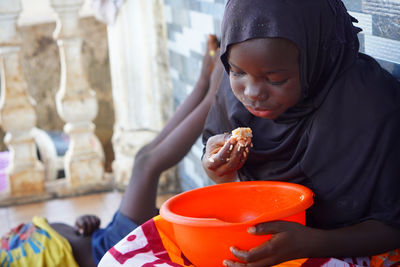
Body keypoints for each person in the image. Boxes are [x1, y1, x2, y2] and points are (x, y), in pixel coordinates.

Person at [200, 0, 400, 266]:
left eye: (276, 79)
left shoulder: (369, 106)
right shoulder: (234, 94)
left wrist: (314, 242)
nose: (252, 93)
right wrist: (218, 171)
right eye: (237, 72)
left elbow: (394, 225)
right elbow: (234, 188)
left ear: (317, 57)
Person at [0, 34, 223, 267]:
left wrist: (83, 223)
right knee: (145, 165)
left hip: (102, 235)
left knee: (143, 157)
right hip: (116, 249)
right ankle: (213, 95)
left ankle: (203, 84)